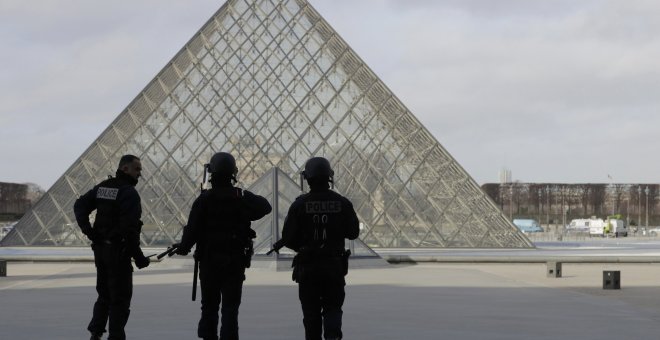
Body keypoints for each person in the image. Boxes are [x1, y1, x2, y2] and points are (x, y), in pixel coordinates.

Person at [174, 152, 272, 340]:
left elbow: (192, 230)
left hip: (209, 261)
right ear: (233, 172)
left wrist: (183, 247)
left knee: (209, 307)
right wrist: (243, 199)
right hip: (234, 261)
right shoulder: (240, 197)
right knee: (230, 309)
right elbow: (265, 207)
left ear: (211, 173)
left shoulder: (204, 199)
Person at [271, 156, 359, 340]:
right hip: (334, 267)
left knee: (310, 314)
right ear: (329, 177)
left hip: (308, 268)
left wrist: (304, 247)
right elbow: (353, 233)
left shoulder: (299, 204)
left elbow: (288, 238)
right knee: (333, 309)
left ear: (307, 178)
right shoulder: (342, 203)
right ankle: (333, 336)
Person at [73, 154, 151, 340]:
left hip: (100, 251)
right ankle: (116, 337)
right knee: (120, 300)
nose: (140, 174)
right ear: (125, 169)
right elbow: (129, 230)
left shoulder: (103, 187)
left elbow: (79, 205)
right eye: (137, 169)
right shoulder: (128, 193)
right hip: (118, 253)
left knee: (104, 295)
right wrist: (139, 258)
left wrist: (88, 230)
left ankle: (95, 333)